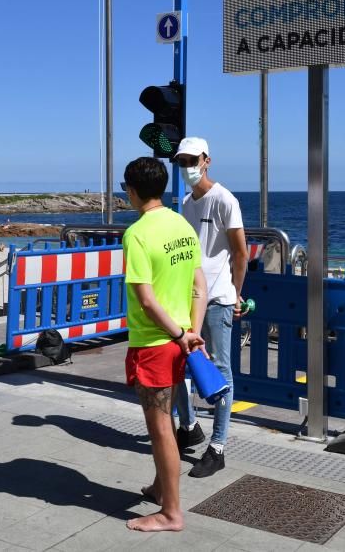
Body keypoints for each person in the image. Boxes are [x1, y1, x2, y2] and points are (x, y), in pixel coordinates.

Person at [120, 157, 206, 533]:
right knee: (167, 418)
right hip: (181, 337)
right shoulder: (182, 225)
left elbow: (147, 300)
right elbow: (198, 286)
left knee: (160, 430)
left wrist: (176, 334)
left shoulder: (137, 233)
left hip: (156, 342)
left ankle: (171, 513)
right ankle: (160, 488)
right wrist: (191, 333)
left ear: (132, 190)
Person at [171, 137, 248, 479]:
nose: (187, 165)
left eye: (192, 159)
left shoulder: (224, 200)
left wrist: (236, 293)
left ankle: (217, 447)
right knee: (179, 362)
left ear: (207, 160)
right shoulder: (187, 202)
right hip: (189, 298)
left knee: (220, 370)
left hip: (218, 299)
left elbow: (241, 253)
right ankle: (189, 426)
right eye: (181, 160)